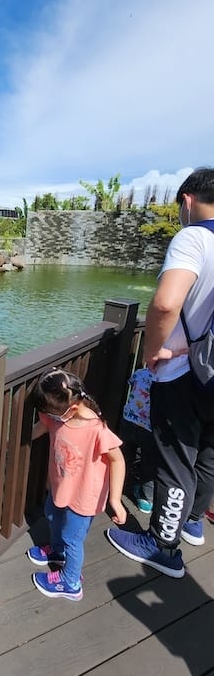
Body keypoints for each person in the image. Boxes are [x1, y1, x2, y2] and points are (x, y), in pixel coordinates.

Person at [107, 167, 214, 578]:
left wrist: (155, 351)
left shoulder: (193, 237)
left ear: (187, 200)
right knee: (207, 452)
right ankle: (192, 523)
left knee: (176, 458)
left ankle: (162, 547)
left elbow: (167, 303)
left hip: (184, 376)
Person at [27, 368, 127, 601]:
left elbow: (118, 460)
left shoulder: (96, 429)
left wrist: (115, 500)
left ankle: (70, 583)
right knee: (52, 515)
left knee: (73, 539)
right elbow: (43, 425)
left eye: (51, 413)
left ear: (71, 408)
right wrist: (15, 441)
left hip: (84, 498)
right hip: (61, 488)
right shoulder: (58, 414)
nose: (49, 417)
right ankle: (57, 551)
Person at [120, 367, 156, 513]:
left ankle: (117, 482)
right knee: (150, 462)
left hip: (130, 419)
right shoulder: (166, 381)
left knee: (124, 455)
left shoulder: (140, 373)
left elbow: (132, 383)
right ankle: (146, 498)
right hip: (150, 427)